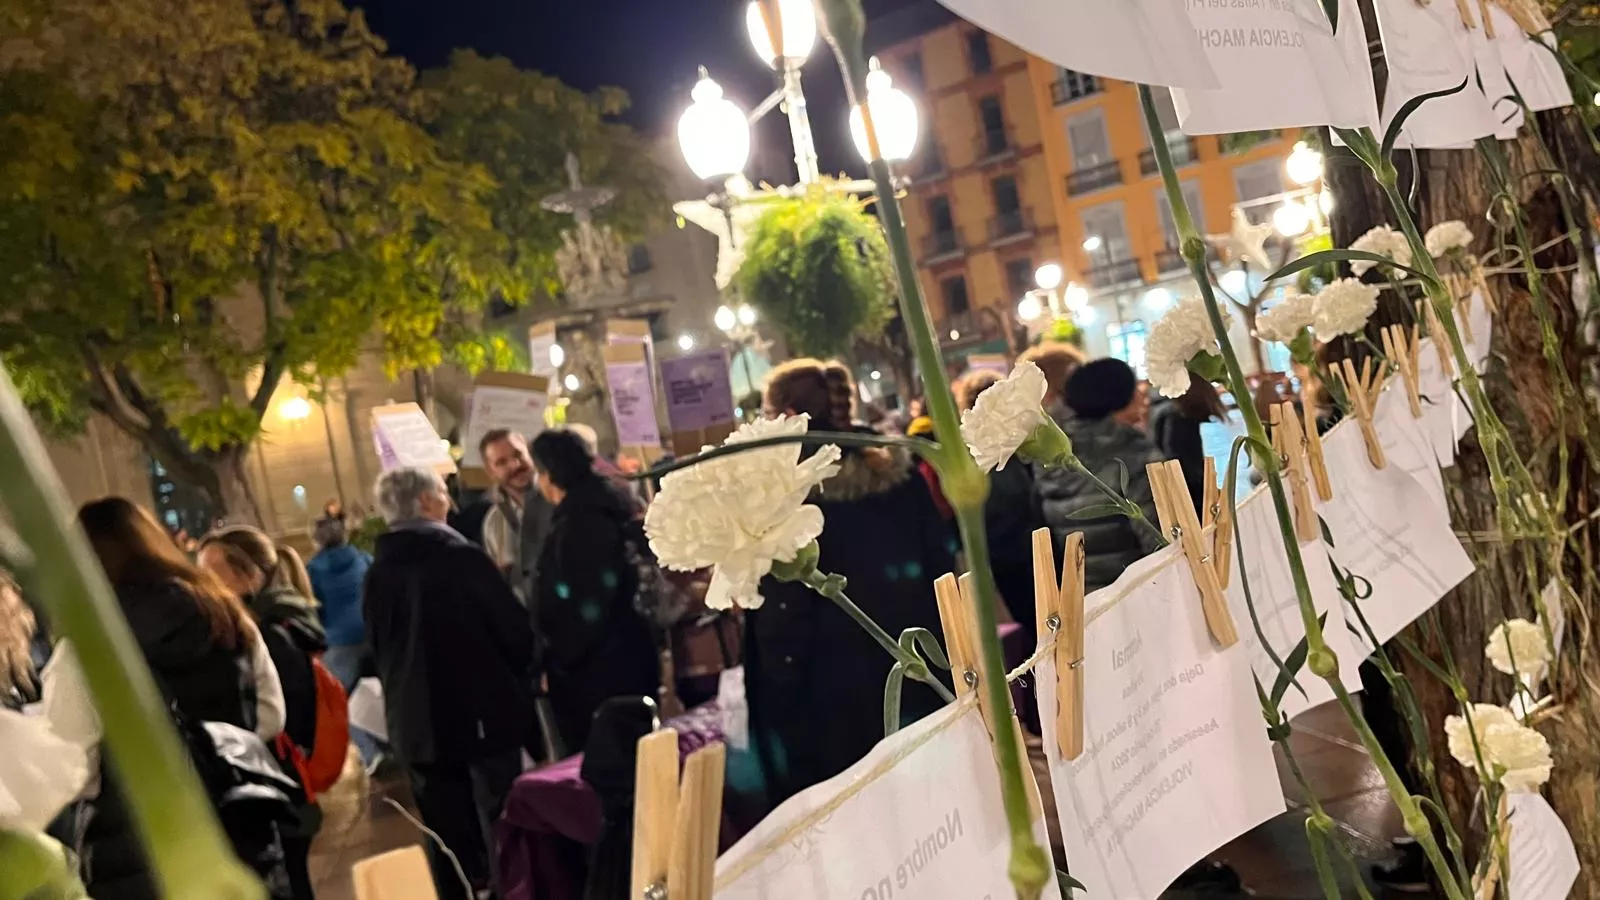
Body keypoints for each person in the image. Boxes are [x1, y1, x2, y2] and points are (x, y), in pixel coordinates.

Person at [749, 359, 955, 804]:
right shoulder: (896, 472)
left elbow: (786, 613)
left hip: (834, 693)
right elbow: (942, 561)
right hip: (916, 659)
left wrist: (780, 683)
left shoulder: (787, 493)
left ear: (785, 414)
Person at [75, 498, 292, 899]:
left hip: (140, 848)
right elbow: (271, 713)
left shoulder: (87, 639)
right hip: (237, 822)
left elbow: (77, 763)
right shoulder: (222, 610)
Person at [362, 467, 534, 900]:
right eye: (442, 493)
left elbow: (378, 648)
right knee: (503, 818)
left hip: (415, 723)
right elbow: (513, 631)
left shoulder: (378, 573)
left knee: (445, 835)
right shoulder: (459, 557)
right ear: (424, 502)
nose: (449, 503)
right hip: (481, 713)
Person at [197, 526, 327, 900]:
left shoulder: (267, 633)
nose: (201, 580)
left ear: (250, 575)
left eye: (212, 569)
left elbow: (284, 716)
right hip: (279, 783)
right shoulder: (267, 622)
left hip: (278, 783)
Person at [526, 429, 660, 751]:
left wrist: (559, 658)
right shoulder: (606, 503)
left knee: (615, 767)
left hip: (601, 675)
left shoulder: (581, 521)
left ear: (548, 475)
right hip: (628, 656)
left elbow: (588, 603)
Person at [1036, 358, 1166, 593]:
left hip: (1083, 596)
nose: (1141, 395)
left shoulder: (1052, 454)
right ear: (1119, 398)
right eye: (1135, 388)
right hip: (1138, 591)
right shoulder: (1132, 452)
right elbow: (1159, 540)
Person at [956, 370, 1048, 641]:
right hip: (1026, 546)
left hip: (1001, 552)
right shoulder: (1006, 447)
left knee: (1033, 621)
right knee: (1045, 616)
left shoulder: (973, 452)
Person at [305, 516, 382, 770]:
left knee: (339, 701)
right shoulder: (362, 558)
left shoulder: (313, 570)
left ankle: (370, 753)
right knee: (384, 690)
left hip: (339, 643)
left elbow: (315, 609)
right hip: (372, 634)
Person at [480, 428, 554, 602]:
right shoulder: (493, 522)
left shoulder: (558, 500)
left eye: (518, 455)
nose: (514, 465)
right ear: (491, 472)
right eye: (501, 462)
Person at [1147, 371, 1227, 512]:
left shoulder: (1169, 412)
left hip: (1182, 495)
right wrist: (1209, 490)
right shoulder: (1180, 417)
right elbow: (1180, 462)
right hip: (1191, 499)